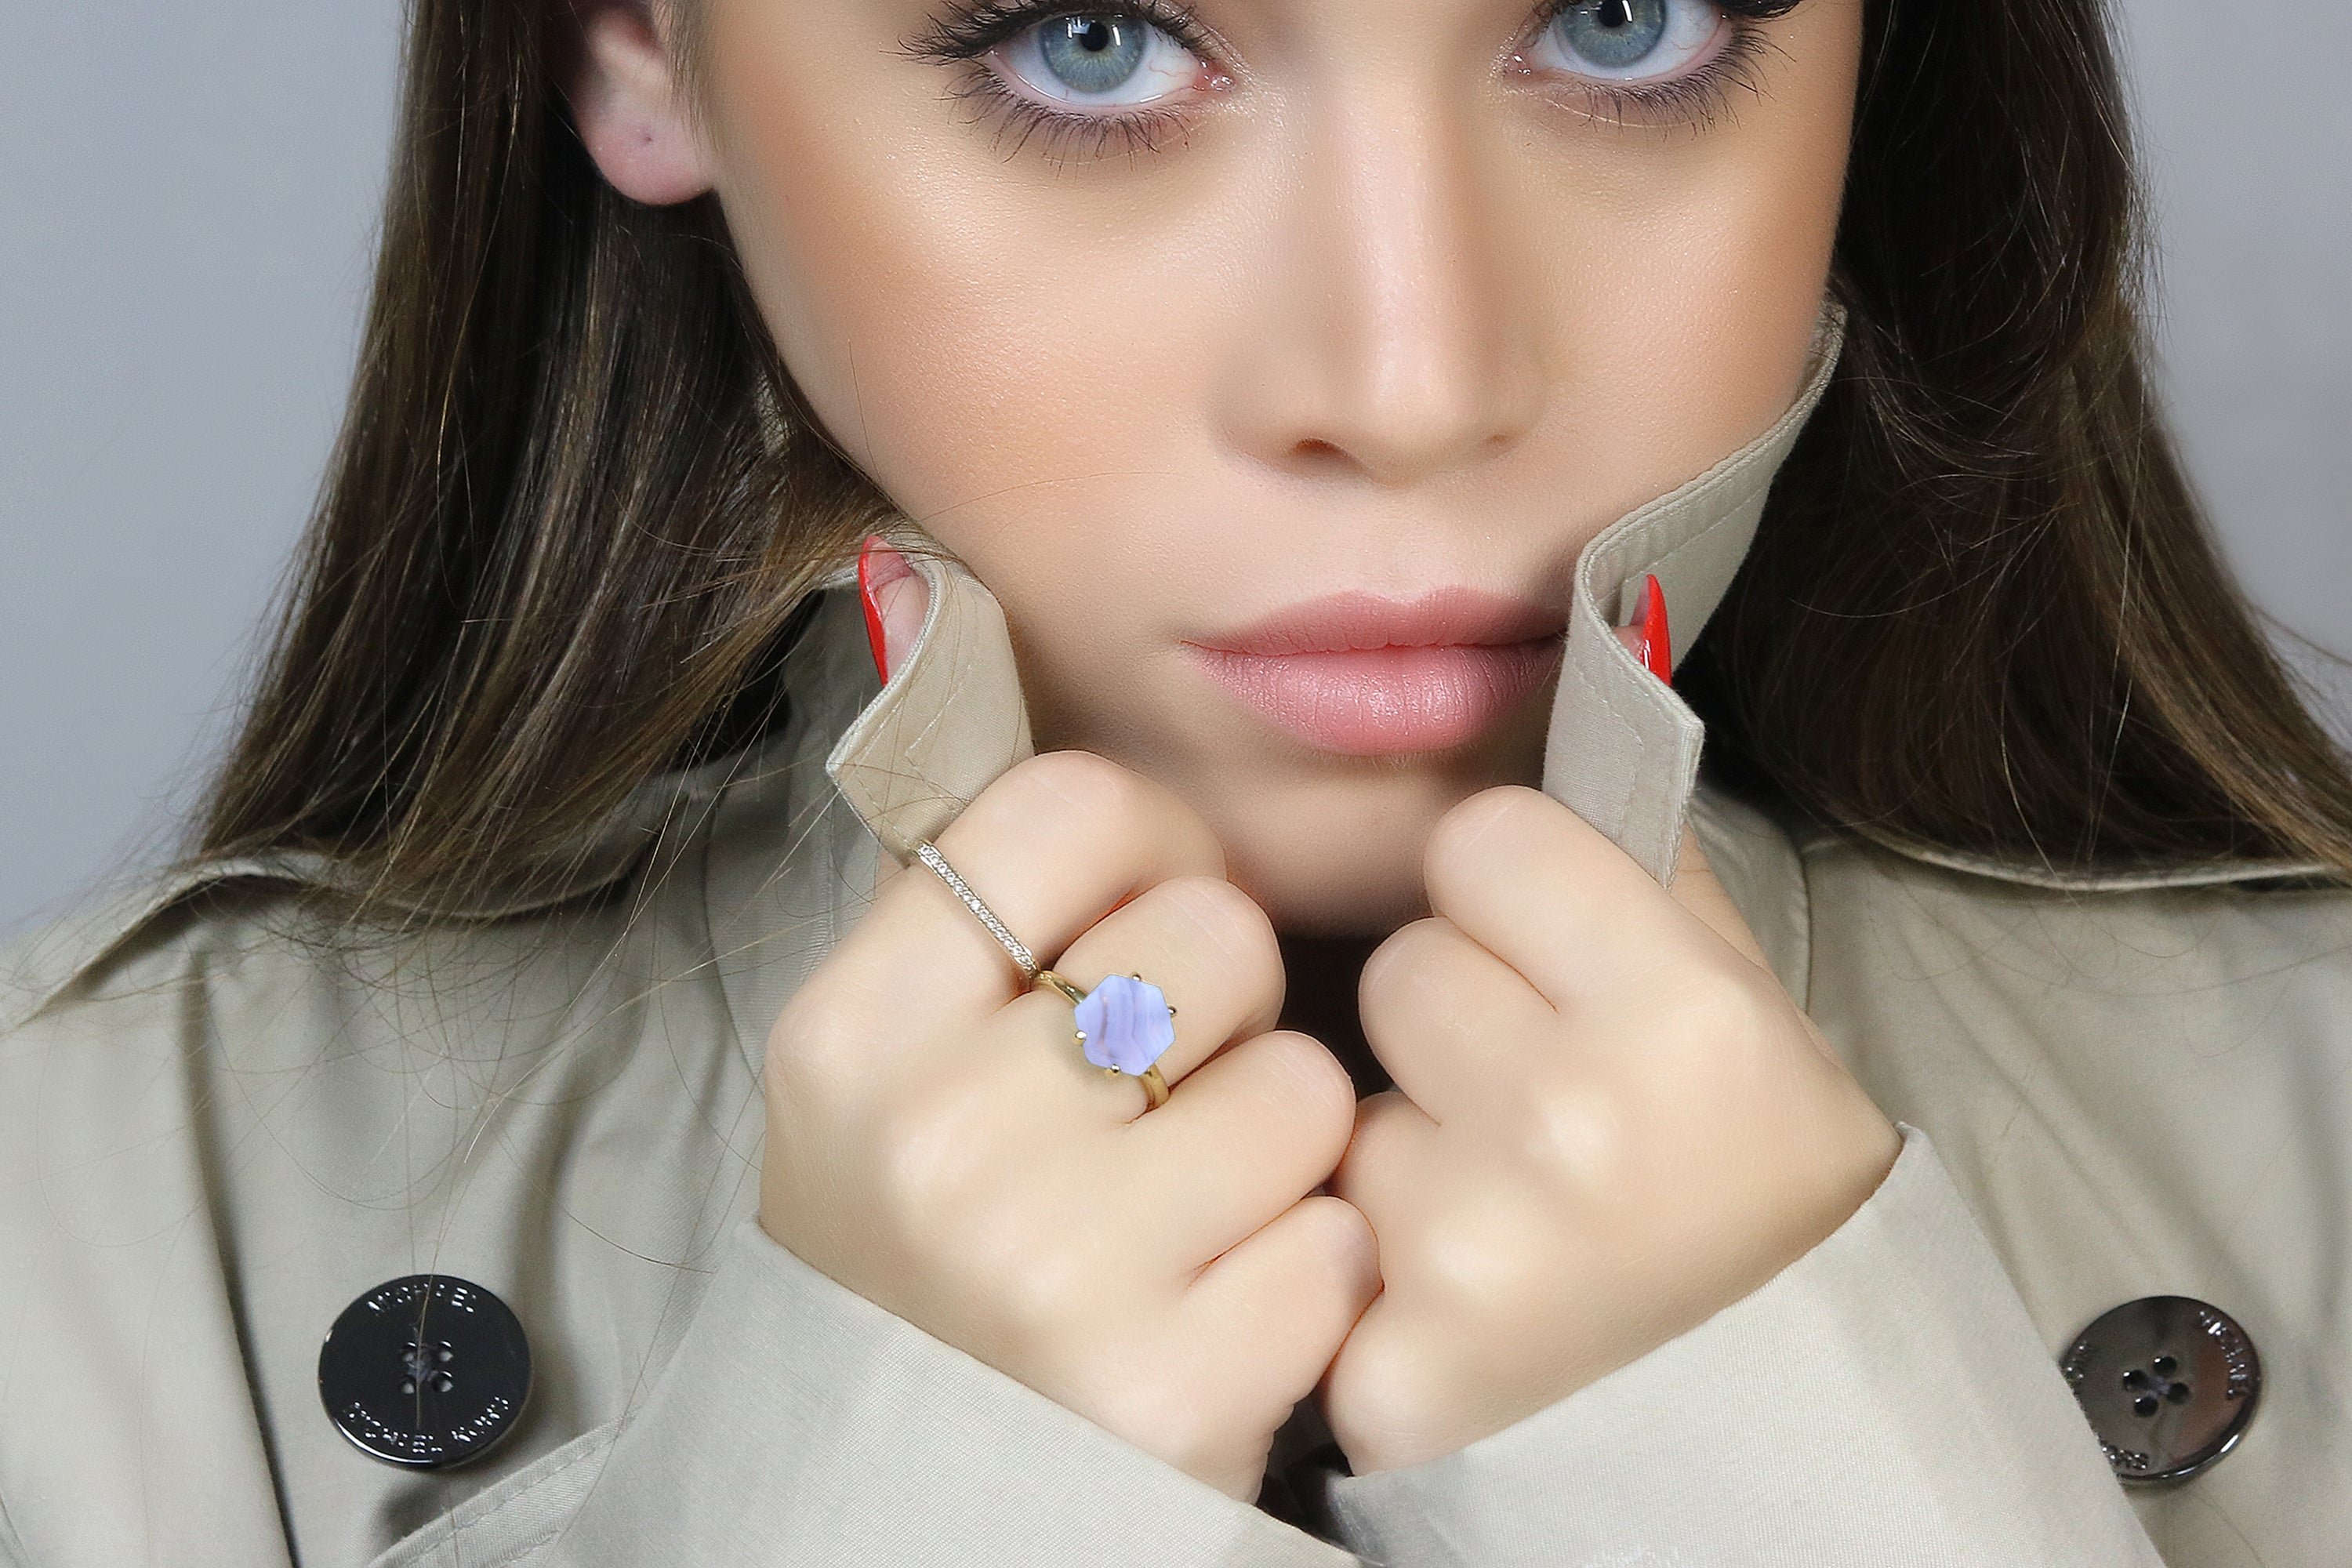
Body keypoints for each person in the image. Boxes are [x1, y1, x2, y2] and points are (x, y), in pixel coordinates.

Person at [4, 0, 2348, 1561]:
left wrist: (1789, 1480)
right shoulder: (83, 1231)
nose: (1412, 380)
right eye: (1095, 38)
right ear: (643, 37)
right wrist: (910, 1495)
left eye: (1624, 19)